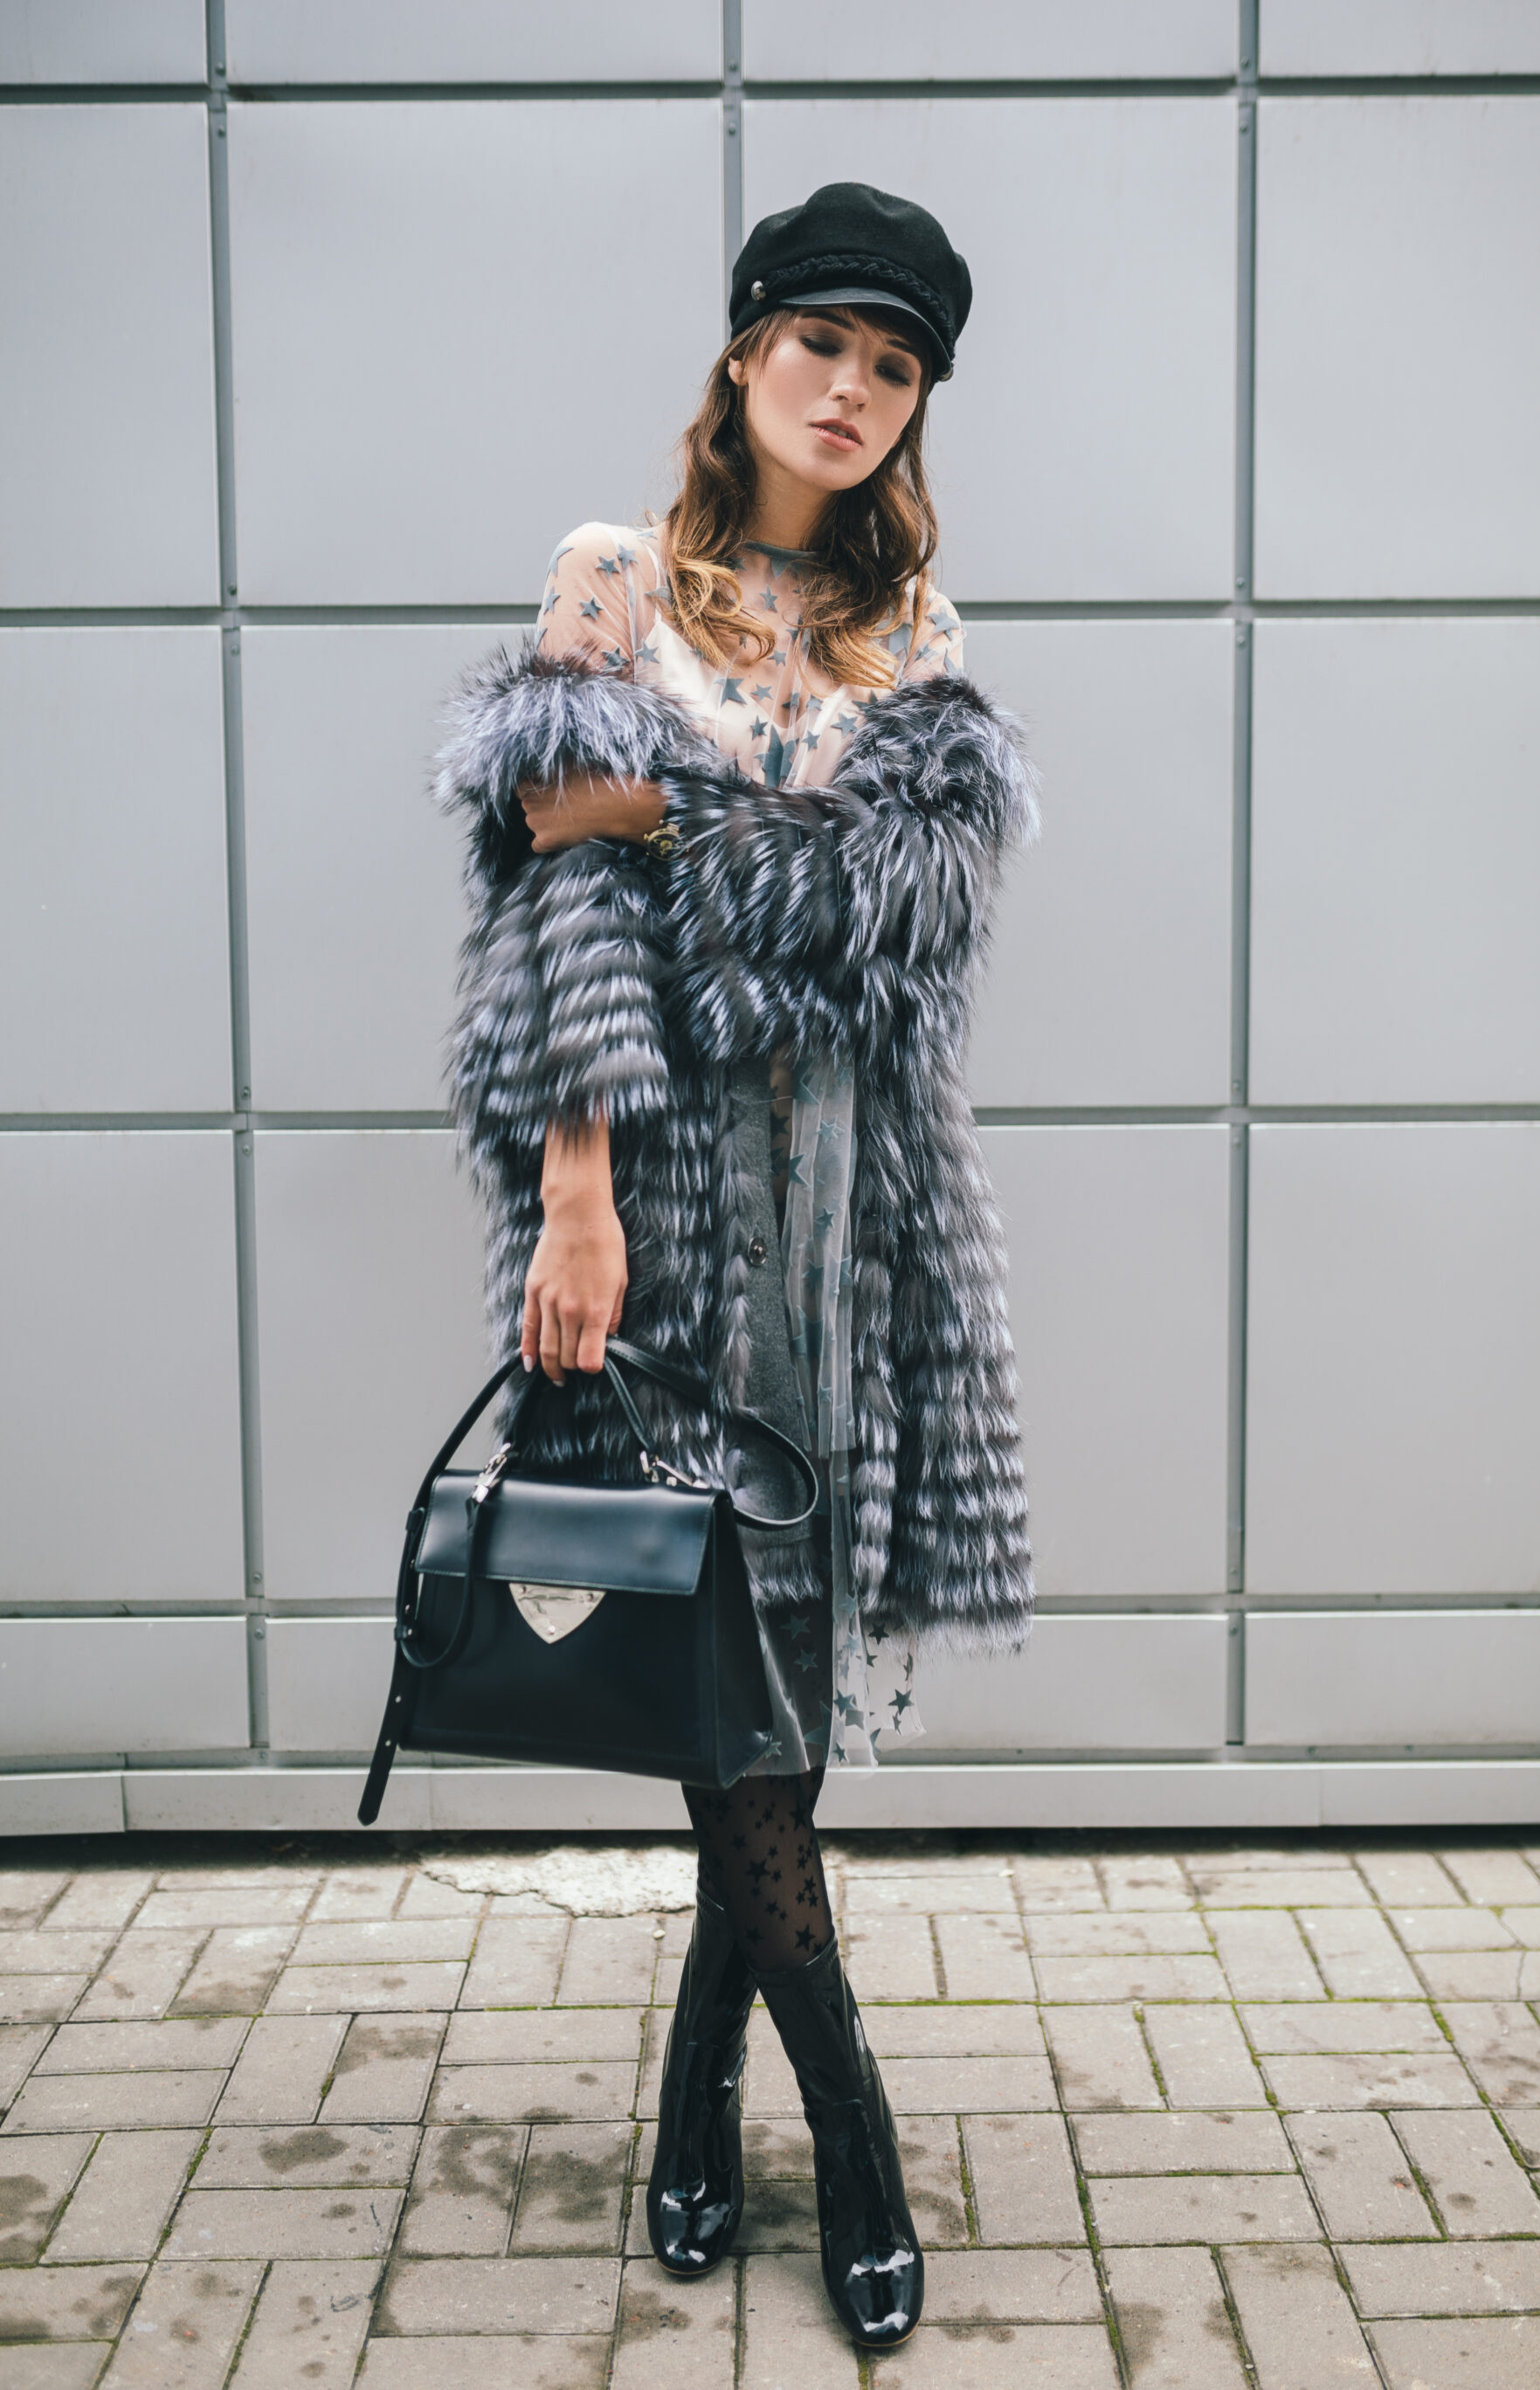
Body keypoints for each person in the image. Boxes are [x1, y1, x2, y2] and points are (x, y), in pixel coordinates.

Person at [436, 182, 1035, 2351]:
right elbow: (556, 896)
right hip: (668, 1200)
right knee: (732, 1678)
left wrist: (679, 826)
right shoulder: (620, 577)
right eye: (827, 346)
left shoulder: (914, 630)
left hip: (858, 1214)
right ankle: (850, 2141)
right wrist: (575, 1180)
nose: (857, 393)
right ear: (743, 355)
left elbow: (924, 923)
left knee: (756, 1674)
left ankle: (696, 2102)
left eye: (898, 367)